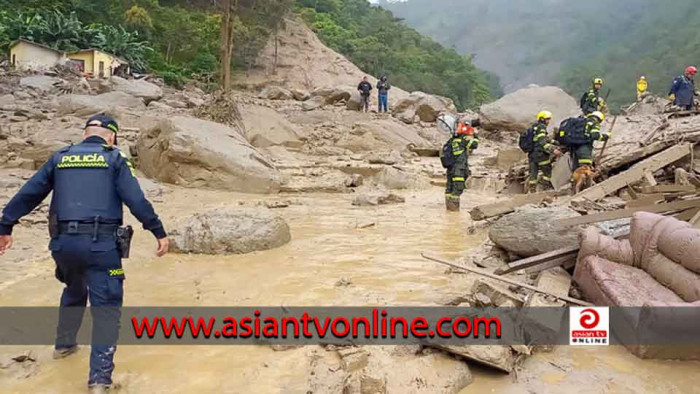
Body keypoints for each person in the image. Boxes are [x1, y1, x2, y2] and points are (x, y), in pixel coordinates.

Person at [0, 114, 169, 391]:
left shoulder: (60, 157)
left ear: (85, 133)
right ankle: (99, 381)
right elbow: (135, 199)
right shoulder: (114, 158)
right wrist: (157, 231)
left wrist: (6, 225)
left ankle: (64, 346)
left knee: (74, 289)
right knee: (107, 308)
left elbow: (29, 193)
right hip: (102, 247)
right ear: (112, 137)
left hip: (63, 247)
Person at [438, 114, 479, 211]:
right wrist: (476, 135)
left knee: (449, 188)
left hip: (451, 168)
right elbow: (474, 145)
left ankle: (449, 210)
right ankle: (454, 212)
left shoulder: (451, 140)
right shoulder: (463, 139)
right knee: (458, 188)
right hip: (459, 168)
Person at [527, 111, 561, 193]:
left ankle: (532, 191)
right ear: (542, 119)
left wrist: (555, 142)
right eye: (547, 119)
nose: (548, 121)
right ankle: (544, 187)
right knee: (547, 171)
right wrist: (553, 150)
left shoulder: (535, 126)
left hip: (532, 154)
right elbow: (542, 142)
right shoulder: (541, 127)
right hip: (540, 154)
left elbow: (543, 138)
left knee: (533, 173)